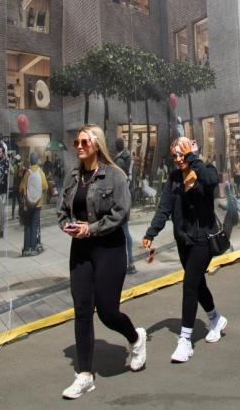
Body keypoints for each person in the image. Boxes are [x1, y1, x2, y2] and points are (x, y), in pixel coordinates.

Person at [58, 125, 147, 398]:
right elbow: (62, 211)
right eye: (77, 142)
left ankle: (136, 337)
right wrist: (69, 225)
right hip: (81, 250)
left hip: (109, 248)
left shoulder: (115, 176)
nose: (79, 146)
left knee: (107, 311)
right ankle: (84, 375)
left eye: (84, 141)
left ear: (96, 145)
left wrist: (91, 228)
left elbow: (122, 213)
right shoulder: (73, 177)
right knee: (82, 310)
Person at [141, 137, 228, 364]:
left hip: (202, 240)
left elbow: (211, 181)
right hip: (184, 240)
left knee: (189, 285)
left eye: (182, 155)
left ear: (191, 153)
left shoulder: (204, 170)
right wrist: (151, 233)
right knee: (197, 284)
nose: (178, 160)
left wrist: (192, 158)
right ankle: (216, 319)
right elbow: (164, 208)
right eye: (175, 156)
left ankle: (185, 340)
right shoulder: (173, 178)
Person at [19, 152, 52, 256]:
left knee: (27, 226)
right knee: (34, 226)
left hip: (28, 204)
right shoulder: (40, 172)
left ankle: (26, 249)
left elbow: (21, 188)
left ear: (30, 160)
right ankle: (33, 248)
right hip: (38, 204)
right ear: (37, 160)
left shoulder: (27, 173)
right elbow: (46, 187)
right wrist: (39, 193)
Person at [114, 138, 137, 274]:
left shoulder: (120, 161)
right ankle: (130, 261)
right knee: (125, 231)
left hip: (120, 199)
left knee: (122, 231)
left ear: (116, 147)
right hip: (128, 197)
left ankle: (127, 262)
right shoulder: (129, 158)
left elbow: (116, 182)